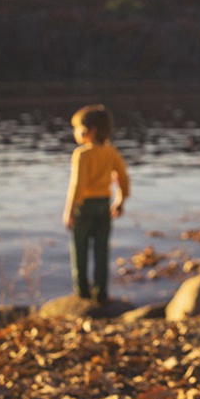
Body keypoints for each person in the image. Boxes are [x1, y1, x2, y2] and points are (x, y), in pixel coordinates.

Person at [62, 104, 130, 303]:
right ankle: (101, 293)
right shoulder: (111, 152)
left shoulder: (82, 154)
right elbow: (123, 178)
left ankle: (81, 293)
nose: (75, 133)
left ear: (90, 131)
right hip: (103, 205)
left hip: (84, 207)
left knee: (80, 250)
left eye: (77, 129)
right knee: (101, 250)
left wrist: (69, 210)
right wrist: (120, 200)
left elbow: (77, 185)